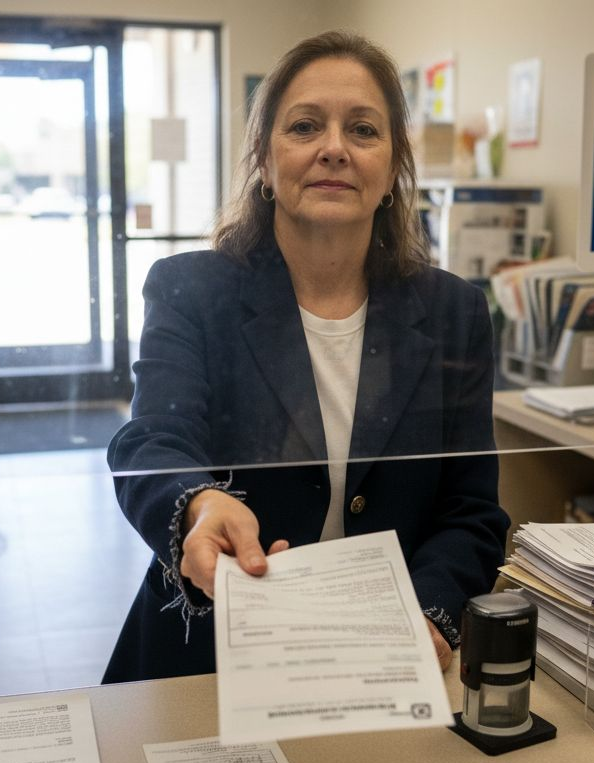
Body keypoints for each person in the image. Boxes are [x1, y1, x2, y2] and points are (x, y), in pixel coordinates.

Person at [103, 30, 509, 684]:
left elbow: (471, 512)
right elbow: (150, 441)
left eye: (364, 130)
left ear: (393, 169)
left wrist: (431, 612)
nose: (334, 149)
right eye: (305, 126)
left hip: (380, 658)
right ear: (265, 161)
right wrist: (201, 505)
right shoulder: (192, 289)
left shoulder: (455, 310)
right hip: (208, 655)